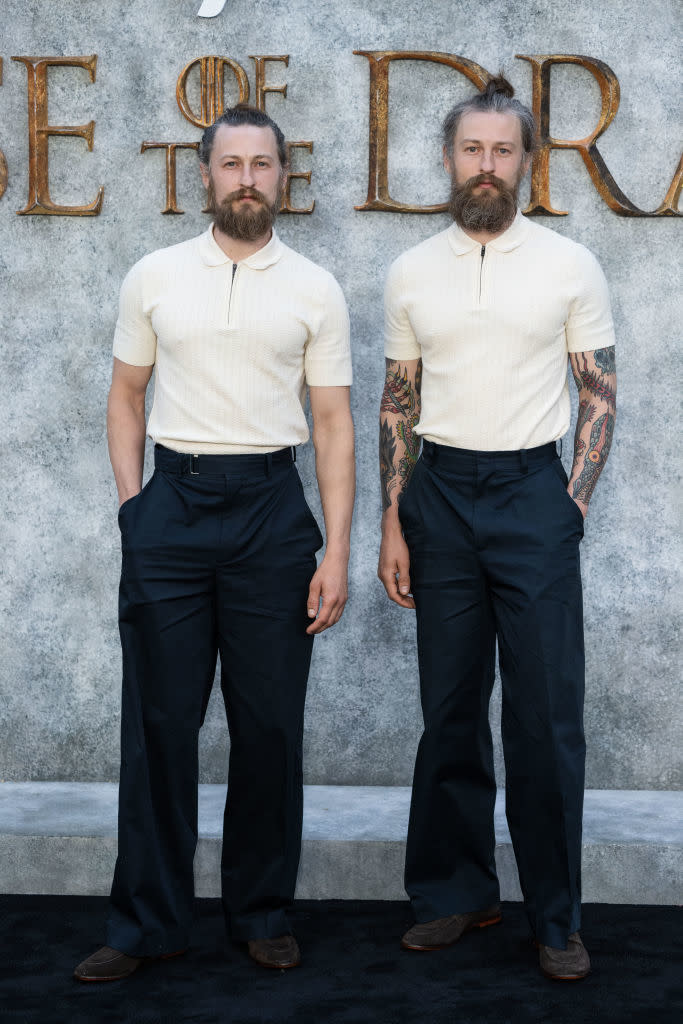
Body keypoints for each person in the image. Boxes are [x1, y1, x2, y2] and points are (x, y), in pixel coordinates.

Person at [74, 104, 355, 981]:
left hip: (273, 513)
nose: (245, 178)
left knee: (268, 726)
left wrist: (336, 551)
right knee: (160, 723)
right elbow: (125, 397)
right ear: (205, 174)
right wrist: (134, 509)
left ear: (281, 176)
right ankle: (145, 924)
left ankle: (261, 911)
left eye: (261, 164)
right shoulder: (154, 275)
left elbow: (335, 425)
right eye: (229, 163)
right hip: (174, 508)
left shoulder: (314, 287)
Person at [377, 76, 616, 981]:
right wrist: (393, 521)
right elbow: (399, 407)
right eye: (471, 149)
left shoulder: (567, 264)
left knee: (545, 716)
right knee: (448, 711)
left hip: (530, 495)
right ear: (448, 159)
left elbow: (597, 389)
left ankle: (555, 919)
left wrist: (572, 500)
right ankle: (454, 893)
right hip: (438, 494)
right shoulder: (410, 271)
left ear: (524, 161)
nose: (486, 164)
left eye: (502, 150)